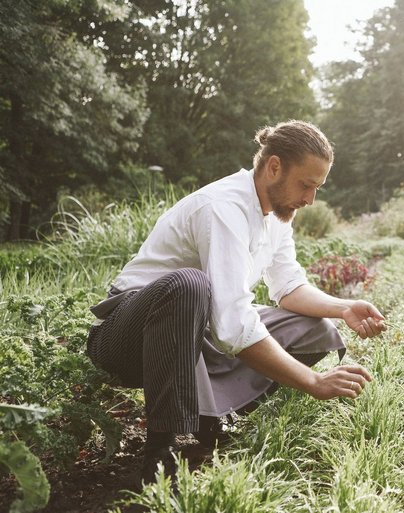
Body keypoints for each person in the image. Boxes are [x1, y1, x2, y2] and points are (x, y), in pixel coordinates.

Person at [85, 120, 387, 483]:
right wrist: (313, 382)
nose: (310, 200)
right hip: (129, 336)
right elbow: (232, 325)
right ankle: (161, 451)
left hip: (198, 334)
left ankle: (214, 418)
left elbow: (289, 287)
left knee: (314, 329)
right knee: (189, 284)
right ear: (274, 166)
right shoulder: (222, 207)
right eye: (306, 185)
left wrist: (343, 308)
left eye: (317, 188)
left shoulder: (276, 213)